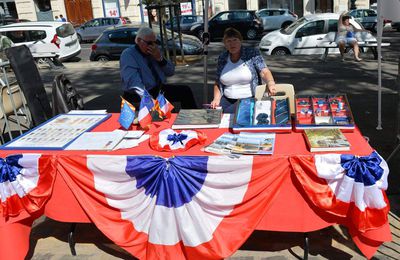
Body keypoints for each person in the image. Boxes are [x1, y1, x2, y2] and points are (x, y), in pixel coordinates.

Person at [120, 26, 196, 110]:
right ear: (138, 41)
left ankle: (191, 118)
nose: (152, 46)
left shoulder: (155, 51)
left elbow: (171, 71)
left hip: (158, 89)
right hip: (139, 94)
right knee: (165, 112)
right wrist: (149, 101)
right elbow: (134, 83)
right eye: (149, 43)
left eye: (154, 43)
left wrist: (159, 58)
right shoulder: (128, 54)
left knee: (185, 91)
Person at [210, 28, 277, 113]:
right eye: (228, 41)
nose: (232, 44)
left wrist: (271, 83)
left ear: (240, 41)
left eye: (235, 40)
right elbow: (217, 82)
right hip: (226, 100)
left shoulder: (252, 53)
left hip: (248, 99)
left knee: (232, 116)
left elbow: (264, 71)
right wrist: (216, 99)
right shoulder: (222, 57)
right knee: (217, 117)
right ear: (225, 44)